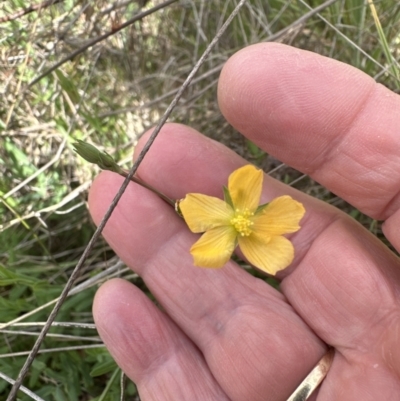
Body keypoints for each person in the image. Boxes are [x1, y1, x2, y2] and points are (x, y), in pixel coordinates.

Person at [88, 43, 400, 400]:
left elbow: (271, 238)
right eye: (243, 220)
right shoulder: (214, 220)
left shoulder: (256, 223)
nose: (245, 223)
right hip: (219, 223)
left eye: (245, 220)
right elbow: (216, 224)